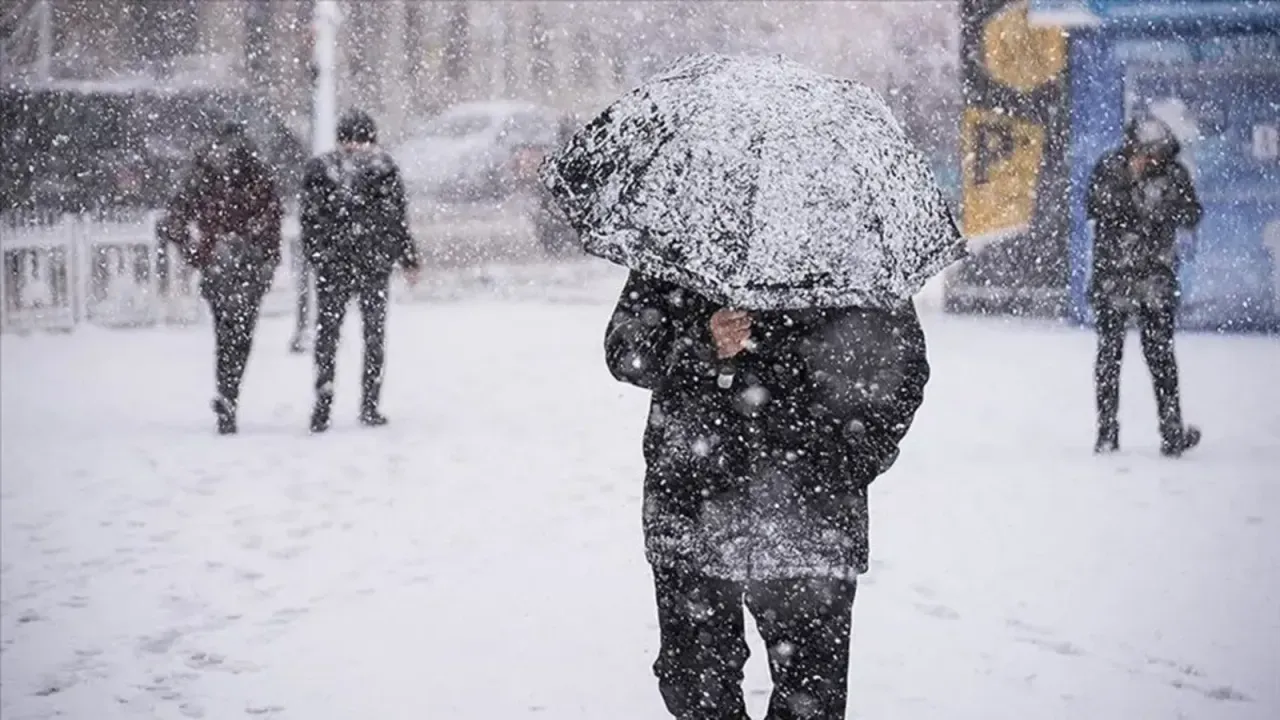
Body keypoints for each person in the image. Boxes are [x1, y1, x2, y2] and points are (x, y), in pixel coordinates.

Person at [605, 271, 930, 719]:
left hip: (811, 517)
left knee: (812, 699)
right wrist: (702, 340)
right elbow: (625, 350)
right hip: (694, 505)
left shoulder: (849, 247)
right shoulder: (686, 236)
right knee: (694, 685)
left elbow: (903, 368)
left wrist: (847, 461)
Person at [1086, 117, 1203, 457]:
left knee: (1161, 356)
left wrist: (1162, 201)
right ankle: (1106, 432)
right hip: (1114, 278)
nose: (1150, 160)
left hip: (1155, 278)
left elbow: (1192, 213)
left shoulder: (1174, 174)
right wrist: (1131, 182)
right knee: (1109, 355)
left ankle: (1171, 432)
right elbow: (1096, 206)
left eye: (1156, 154)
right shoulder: (1111, 168)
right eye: (1145, 153)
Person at [157, 120, 283, 435]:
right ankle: (230, 393)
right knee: (240, 334)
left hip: (220, 262)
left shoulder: (204, 172)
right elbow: (272, 221)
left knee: (225, 333)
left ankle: (227, 394)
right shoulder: (256, 173)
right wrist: (267, 258)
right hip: (245, 262)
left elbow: (175, 219)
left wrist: (196, 252)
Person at [302, 109, 420, 433]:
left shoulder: (322, 169)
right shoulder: (382, 169)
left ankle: (327, 401)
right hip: (369, 264)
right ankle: (366, 403)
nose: (356, 148)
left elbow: (310, 220)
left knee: (331, 335)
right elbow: (395, 219)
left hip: (340, 265)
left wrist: (320, 255)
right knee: (369, 335)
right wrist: (405, 257)